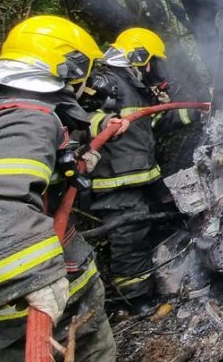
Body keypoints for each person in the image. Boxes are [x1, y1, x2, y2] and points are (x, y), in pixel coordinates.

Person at [0, 15, 119, 362]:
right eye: (88, 73)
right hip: (27, 304)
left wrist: (74, 159)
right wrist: (35, 280)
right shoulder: (29, 118)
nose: (92, 85)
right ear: (70, 67)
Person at [83, 28, 194, 315]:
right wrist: (103, 122)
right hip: (114, 181)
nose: (155, 70)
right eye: (154, 62)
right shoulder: (104, 82)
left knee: (166, 218)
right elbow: (74, 118)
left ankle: (160, 276)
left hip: (141, 176)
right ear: (141, 57)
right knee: (129, 236)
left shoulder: (133, 89)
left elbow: (151, 123)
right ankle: (133, 299)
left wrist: (193, 113)